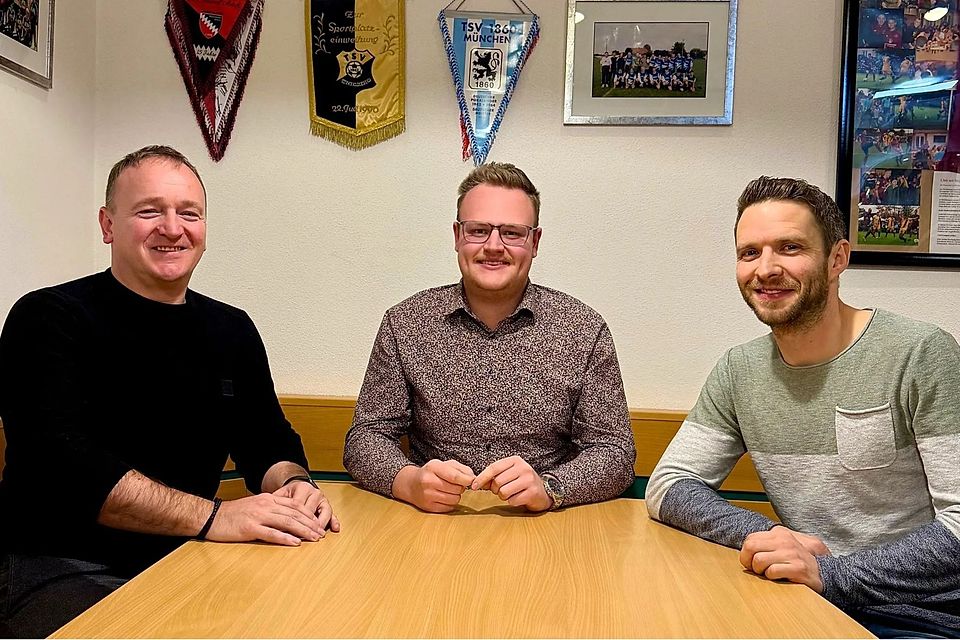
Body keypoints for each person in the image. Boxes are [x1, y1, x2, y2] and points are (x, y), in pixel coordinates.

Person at [0, 145, 339, 638]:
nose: (172, 228)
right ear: (107, 225)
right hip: (62, 564)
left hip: (190, 555)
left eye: (189, 213)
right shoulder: (47, 318)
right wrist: (215, 518)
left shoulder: (231, 328)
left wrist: (293, 484)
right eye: (149, 211)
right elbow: (66, 469)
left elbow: (266, 439)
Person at [646, 176, 960, 638]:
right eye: (749, 253)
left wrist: (832, 575)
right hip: (798, 602)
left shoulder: (920, 353)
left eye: (790, 248)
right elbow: (668, 484)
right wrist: (764, 536)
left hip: (917, 616)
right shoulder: (739, 370)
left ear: (838, 259)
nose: (766, 269)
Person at [343, 162, 635, 514]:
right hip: (433, 526)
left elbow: (615, 452)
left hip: (546, 528)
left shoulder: (583, 329)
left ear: (535, 241)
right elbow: (364, 439)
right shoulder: (404, 323)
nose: (494, 246)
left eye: (512, 233)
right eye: (478, 230)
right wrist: (409, 481)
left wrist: (551, 488)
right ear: (457, 236)